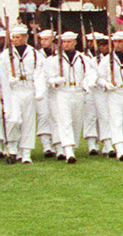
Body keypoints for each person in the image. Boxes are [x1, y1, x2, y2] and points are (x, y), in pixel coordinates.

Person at [37, 31, 92, 163]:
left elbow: (91, 73)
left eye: (69, 42)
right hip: (63, 92)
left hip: (78, 91)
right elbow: (47, 77)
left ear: (74, 42)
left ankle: (72, 146)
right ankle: (68, 151)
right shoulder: (55, 60)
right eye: (64, 42)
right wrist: (55, 80)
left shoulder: (83, 58)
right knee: (64, 121)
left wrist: (87, 83)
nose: (66, 45)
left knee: (76, 121)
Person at [92, 32, 123, 161]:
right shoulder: (106, 60)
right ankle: (120, 149)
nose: (117, 44)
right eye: (115, 42)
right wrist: (106, 84)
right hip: (114, 93)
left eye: (120, 42)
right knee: (116, 120)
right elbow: (99, 78)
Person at [1, 25, 43, 164]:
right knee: (13, 119)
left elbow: (39, 73)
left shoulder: (35, 53)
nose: (14, 40)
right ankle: (12, 147)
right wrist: (8, 81)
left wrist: (39, 90)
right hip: (13, 91)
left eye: (17, 37)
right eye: (12, 37)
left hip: (28, 89)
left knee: (28, 121)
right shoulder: (5, 54)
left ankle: (25, 152)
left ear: (25, 37)